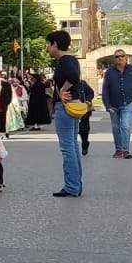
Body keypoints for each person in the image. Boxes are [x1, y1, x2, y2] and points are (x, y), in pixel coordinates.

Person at [47, 30, 84, 197]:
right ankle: (76, 185)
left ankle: (71, 187)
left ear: (55, 44)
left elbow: (74, 77)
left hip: (66, 106)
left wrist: (62, 90)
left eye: (48, 44)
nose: (47, 47)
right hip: (74, 105)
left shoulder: (65, 60)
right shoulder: (72, 59)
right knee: (73, 147)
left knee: (67, 148)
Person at [101, 48, 132, 159]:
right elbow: (105, 90)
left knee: (125, 126)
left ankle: (126, 150)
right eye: (117, 56)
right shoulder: (110, 72)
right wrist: (107, 105)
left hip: (127, 103)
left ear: (125, 57)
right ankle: (118, 150)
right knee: (116, 127)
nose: (120, 58)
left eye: (122, 56)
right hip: (113, 104)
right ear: (114, 59)